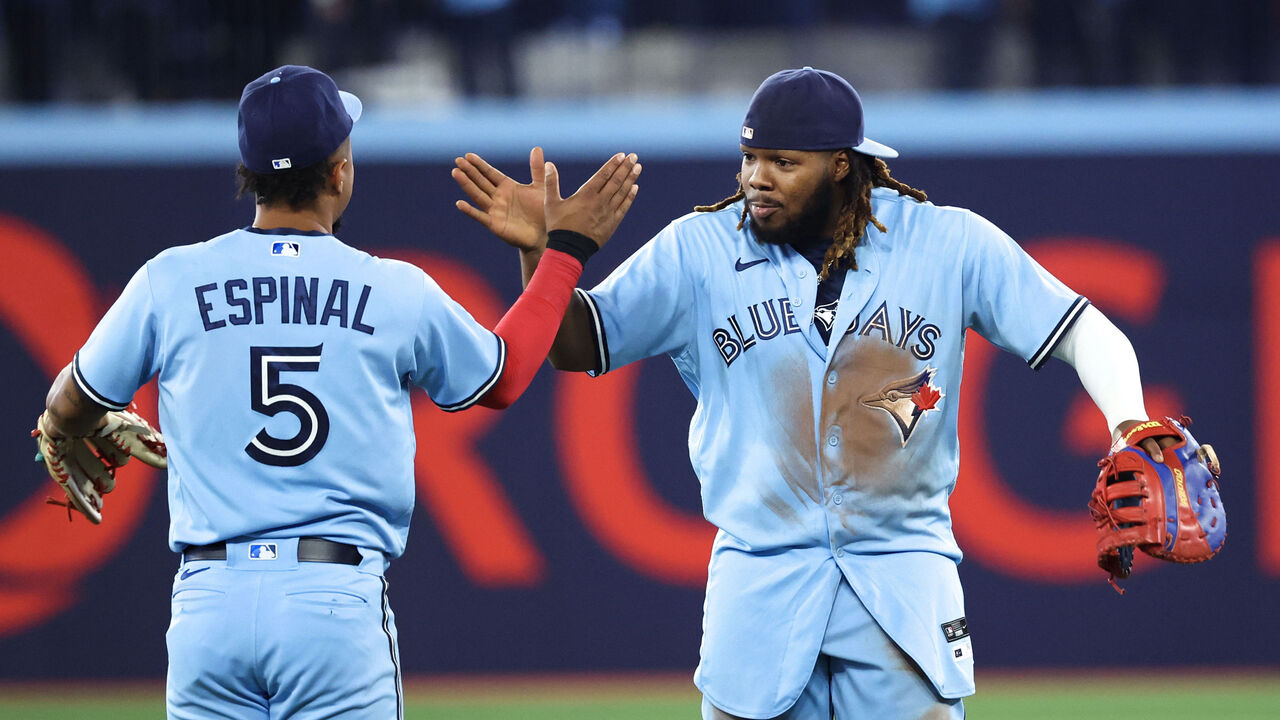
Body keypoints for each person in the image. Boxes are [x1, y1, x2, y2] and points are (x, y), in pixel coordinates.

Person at [453, 66, 1176, 719]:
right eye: (750, 158)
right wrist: (543, 255)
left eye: (782, 162)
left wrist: (1128, 424)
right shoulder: (699, 248)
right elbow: (574, 344)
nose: (756, 178)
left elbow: (1086, 332)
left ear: (841, 166)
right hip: (759, 581)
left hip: (902, 581)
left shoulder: (947, 242)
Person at [36, 64, 640, 719]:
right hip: (331, 604)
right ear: (339, 171)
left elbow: (71, 401)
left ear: (248, 172)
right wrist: (563, 251)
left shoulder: (171, 279)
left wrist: (63, 426)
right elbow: (505, 375)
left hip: (210, 606)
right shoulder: (391, 288)